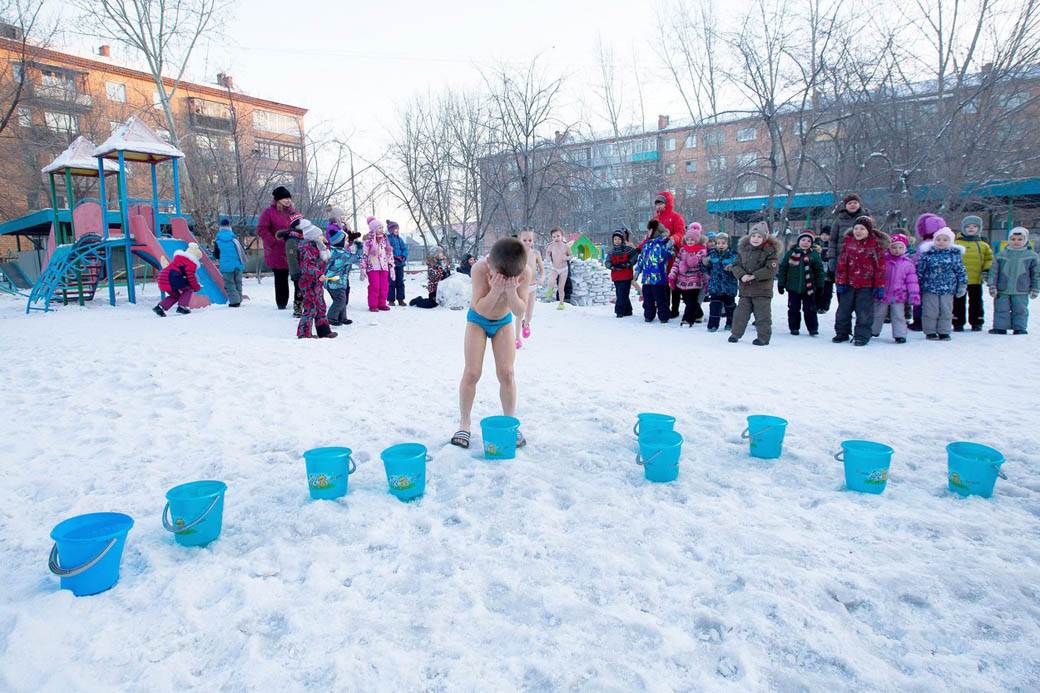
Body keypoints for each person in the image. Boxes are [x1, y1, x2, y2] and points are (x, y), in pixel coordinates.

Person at [450, 237, 531, 450]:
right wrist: (495, 290)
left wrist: (511, 291)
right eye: (499, 276)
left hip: (503, 323)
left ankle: (509, 423)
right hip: (478, 320)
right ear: (490, 266)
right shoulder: (479, 269)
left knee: (507, 373)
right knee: (472, 373)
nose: (504, 280)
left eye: (510, 278)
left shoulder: (524, 272)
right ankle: (464, 423)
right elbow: (480, 309)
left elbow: (519, 311)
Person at [833, 215, 887, 346]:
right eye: (856, 228)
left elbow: (880, 268)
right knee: (843, 311)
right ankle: (842, 333)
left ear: (868, 231)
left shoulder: (875, 246)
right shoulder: (848, 244)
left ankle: (862, 336)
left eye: (862, 229)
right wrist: (840, 281)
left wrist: (879, 286)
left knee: (864, 313)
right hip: (849, 285)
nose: (858, 231)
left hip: (866, 286)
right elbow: (842, 265)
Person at [728, 223, 780, 346]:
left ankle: (763, 338)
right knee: (740, 314)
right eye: (753, 236)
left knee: (762, 316)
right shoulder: (744, 250)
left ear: (764, 238)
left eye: (759, 236)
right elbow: (736, 265)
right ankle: (735, 334)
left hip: (762, 291)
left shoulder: (770, 251)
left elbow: (771, 269)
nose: (755, 239)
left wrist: (755, 275)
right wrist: (742, 275)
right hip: (746, 290)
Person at [916, 227, 967, 341]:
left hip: (948, 289)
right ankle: (930, 331)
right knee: (930, 310)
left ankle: (944, 331)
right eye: (938, 239)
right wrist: (916, 285)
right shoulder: (927, 254)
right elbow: (920, 270)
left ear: (950, 242)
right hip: (930, 288)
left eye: (945, 240)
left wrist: (962, 285)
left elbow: (961, 271)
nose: (941, 242)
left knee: (946, 311)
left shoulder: (954, 255)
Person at [989, 227, 1039, 335]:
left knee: (1020, 309)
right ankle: (1000, 327)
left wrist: (1035, 288)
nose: (1016, 242)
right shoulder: (1001, 255)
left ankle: (1020, 328)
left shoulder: (1031, 256)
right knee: (1001, 309)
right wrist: (992, 285)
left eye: (1020, 239)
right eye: (1013, 239)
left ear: (1025, 240)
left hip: (1021, 289)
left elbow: (1036, 274)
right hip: (1002, 288)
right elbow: (994, 272)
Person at [255, 186, 298, 311]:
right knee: (281, 277)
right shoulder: (269, 212)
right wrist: (273, 242)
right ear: (278, 200)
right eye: (285, 198)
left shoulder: (293, 212)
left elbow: (300, 226)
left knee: (298, 275)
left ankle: (299, 302)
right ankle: (281, 303)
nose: (288, 200)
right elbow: (261, 229)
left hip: (293, 248)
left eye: (289, 198)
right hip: (277, 250)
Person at [872, 233, 919, 343]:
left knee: (898, 315)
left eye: (900, 247)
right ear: (889, 247)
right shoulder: (883, 260)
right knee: (878, 314)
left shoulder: (908, 263)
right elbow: (877, 275)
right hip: (882, 293)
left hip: (898, 295)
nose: (897, 250)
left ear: (905, 248)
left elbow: (912, 281)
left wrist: (914, 295)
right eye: (894, 247)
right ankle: (873, 330)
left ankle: (900, 334)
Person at [777, 230, 826, 336]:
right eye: (803, 240)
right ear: (799, 241)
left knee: (810, 309)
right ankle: (794, 327)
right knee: (793, 308)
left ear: (811, 243)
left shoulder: (814, 255)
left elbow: (819, 272)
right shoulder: (791, 253)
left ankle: (812, 328)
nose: (805, 243)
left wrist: (820, 286)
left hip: (809, 288)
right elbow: (783, 268)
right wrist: (781, 283)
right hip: (793, 287)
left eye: (808, 241)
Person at [295, 220, 336, 339]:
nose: (322, 236)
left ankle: (324, 331)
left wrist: (326, 244)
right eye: (320, 235)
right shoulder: (306, 248)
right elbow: (307, 266)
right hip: (308, 282)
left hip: (318, 282)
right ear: (313, 236)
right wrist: (318, 274)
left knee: (321, 306)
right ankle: (304, 333)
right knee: (310, 307)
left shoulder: (319, 246)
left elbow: (325, 257)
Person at [953, 215, 993, 332]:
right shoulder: (956, 243)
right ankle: (957, 322)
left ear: (979, 228)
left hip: (976, 279)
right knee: (958, 301)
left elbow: (989, 259)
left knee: (976, 301)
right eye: (968, 226)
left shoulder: (983, 245)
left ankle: (977, 321)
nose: (971, 229)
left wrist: (986, 270)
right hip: (959, 280)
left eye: (974, 226)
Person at [909, 212, 947, 331]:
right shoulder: (945, 244)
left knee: (920, 300)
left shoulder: (924, 245)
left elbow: (916, 261)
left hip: (923, 277)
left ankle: (919, 321)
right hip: (940, 280)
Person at [651, 191, 687, 318]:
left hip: (673, 254)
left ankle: (675, 309)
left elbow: (681, 232)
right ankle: (665, 308)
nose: (658, 206)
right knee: (663, 283)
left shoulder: (676, 217)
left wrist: (672, 239)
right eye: (656, 204)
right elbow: (649, 237)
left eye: (660, 203)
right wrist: (641, 248)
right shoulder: (655, 219)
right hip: (659, 257)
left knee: (675, 283)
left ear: (666, 204)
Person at [668, 222, 709, 327]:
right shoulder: (682, 250)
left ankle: (687, 319)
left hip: (695, 280)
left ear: (697, 240)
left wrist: (706, 281)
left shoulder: (701, 251)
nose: (690, 241)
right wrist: (672, 275)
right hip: (682, 281)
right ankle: (699, 314)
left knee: (691, 301)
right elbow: (677, 263)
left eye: (692, 240)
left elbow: (701, 267)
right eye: (688, 239)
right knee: (688, 300)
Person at [633, 219, 674, 323]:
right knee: (648, 299)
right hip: (646, 279)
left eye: (650, 230)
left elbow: (669, 255)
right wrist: (637, 271)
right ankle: (649, 315)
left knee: (661, 299)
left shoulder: (663, 244)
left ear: (656, 231)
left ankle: (664, 316)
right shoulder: (646, 245)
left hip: (658, 278)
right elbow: (641, 259)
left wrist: (668, 246)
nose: (648, 232)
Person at [324, 227, 363, 326]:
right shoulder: (342, 254)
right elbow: (357, 259)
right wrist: (359, 248)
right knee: (340, 300)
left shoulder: (333, 251)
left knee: (341, 299)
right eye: (346, 240)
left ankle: (342, 317)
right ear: (340, 242)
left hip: (333, 281)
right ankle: (331, 318)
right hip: (335, 282)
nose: (348, 242)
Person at [153, 243, 203, 317]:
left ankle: (160, 307)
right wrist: (196, 286)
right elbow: (190, 276)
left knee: (175, 295)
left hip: (162, 277)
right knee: (188, 289)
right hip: (172, 276)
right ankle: (182, 307)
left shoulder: (179, 259)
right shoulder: (191, 263)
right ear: (195, 256)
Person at [703, 232, 738, 332]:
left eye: (723, 243)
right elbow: (706, 269)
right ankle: (713, 325)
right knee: (714, 306)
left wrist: (733, 268)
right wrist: (705, 264)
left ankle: (730, 323)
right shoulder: (712, 254)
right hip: (715, 286)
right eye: (718, 243)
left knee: (730, 307)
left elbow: (738, 267)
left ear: (728, 244)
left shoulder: (733, 255)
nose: (720, 245)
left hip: (729, 286)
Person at [517, 229, 545, 346]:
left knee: (529, 314)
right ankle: (517, 337)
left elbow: (542, 270)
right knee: (520, 312)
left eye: (530, 240)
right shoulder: (516, 253)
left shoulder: (535, 254)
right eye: (524, 240)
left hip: (533, 286)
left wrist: (542, 278)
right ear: (519, 240)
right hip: (521, 286)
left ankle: (526, 323)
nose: (527, 242)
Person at [829, 194, 868, 277]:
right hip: (843, 258)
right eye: (849, 203)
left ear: (859, 204)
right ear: (845, 206)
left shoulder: (866, 219)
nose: (852, 205)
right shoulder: (839, 220)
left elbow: (874, 237)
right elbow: (832, 240)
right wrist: (832, 257)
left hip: (863, 258)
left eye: (855, 202)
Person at [360, 217, 394, 312]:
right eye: (379, 227)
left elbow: (389, 254)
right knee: (375, 286)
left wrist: (391, 266)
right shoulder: (368, 241)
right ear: (374, 229)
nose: (381, 230)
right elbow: (364, 255)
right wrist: (363, 268)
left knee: (384, 286)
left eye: (382, 228)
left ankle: (382, 303)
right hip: (373, 267)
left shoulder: (385, 240)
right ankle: (373, 305)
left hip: (384, 267)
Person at [605, 228, 638, 318]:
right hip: (616, 276)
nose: (617, 241)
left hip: (626, 276)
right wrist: (611, 266)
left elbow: (635, 255)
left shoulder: (627, 249)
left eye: (619, 239)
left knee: (622, 293)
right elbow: (607, 262)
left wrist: (628, 263)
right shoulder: (611, 252)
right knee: (621, 293)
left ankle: (619, 311)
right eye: (615, 239)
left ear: (622, 240)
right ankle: (628, 310)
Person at [213, 217, 245, 308]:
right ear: (229, 227)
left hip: (226, 266)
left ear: (220, 228)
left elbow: (216, 255)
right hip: (238, 265)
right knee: (238, 282)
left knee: (229, 283)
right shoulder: (234, 239)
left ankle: (235, 302)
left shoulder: (218, 241)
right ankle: (239, 299)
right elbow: (241, 252)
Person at [544, 227, 571, 310]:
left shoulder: (566, 246)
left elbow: (571, 256)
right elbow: (548, 253)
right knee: (550, 281)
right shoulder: (551, 246)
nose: (556, 238)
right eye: (554, 237)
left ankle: (561, 303)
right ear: (552, 238)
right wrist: (548, 257)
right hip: (554, 268)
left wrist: (566, 258)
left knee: (560, 287)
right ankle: (549, 292)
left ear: (562, 236)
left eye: (558, 236)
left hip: (564, 269)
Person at [387, 220, 409, 306]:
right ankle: (391, 300)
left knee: (400, 282)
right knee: (391, 281)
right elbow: (386, 249)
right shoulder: (388, 239)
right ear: (391, 230)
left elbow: (404, 249)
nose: (397, 230)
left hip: (400, 263)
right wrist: (392, 256)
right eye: (395, 229)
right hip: (391, 263)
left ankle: (401, 299)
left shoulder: (400, 239)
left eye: (397, 229)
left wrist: (403, 256)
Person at [817, 227, 834, 312]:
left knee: (827, 291)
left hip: (828, 272)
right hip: (818, 272)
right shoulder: (817, 244)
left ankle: (824, 306)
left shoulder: (831, 245)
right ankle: (818, 305)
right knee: (818, 289)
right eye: (822, 234)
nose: (824, 236)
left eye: (827, 235)